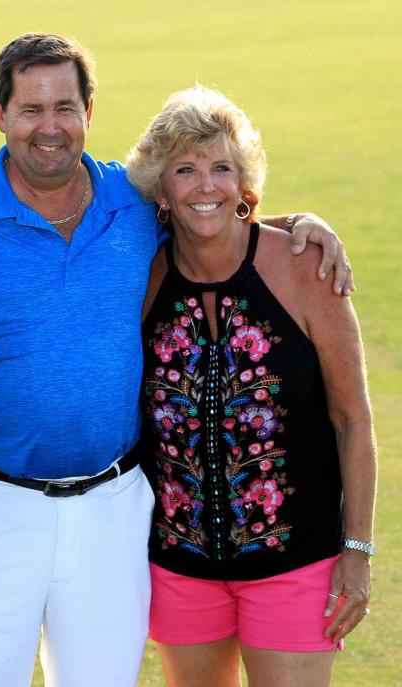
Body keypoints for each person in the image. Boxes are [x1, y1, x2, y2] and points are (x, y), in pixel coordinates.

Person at [0, 33, 352, 687]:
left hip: (112, 510)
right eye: (31, 108)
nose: (49, 127)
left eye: (66, 106)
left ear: (90, 110)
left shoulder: (135, 204)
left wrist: (302, 223)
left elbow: (213, 217)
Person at [125, 85, 375, 687]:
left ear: (244, 183)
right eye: (186, 170)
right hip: (179, 565)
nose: (206, 186)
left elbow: (353, 421)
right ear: (162, 189)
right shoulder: (143, 278)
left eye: (222, 168)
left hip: (297, 562)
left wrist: (357, 552)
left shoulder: (304, 265)